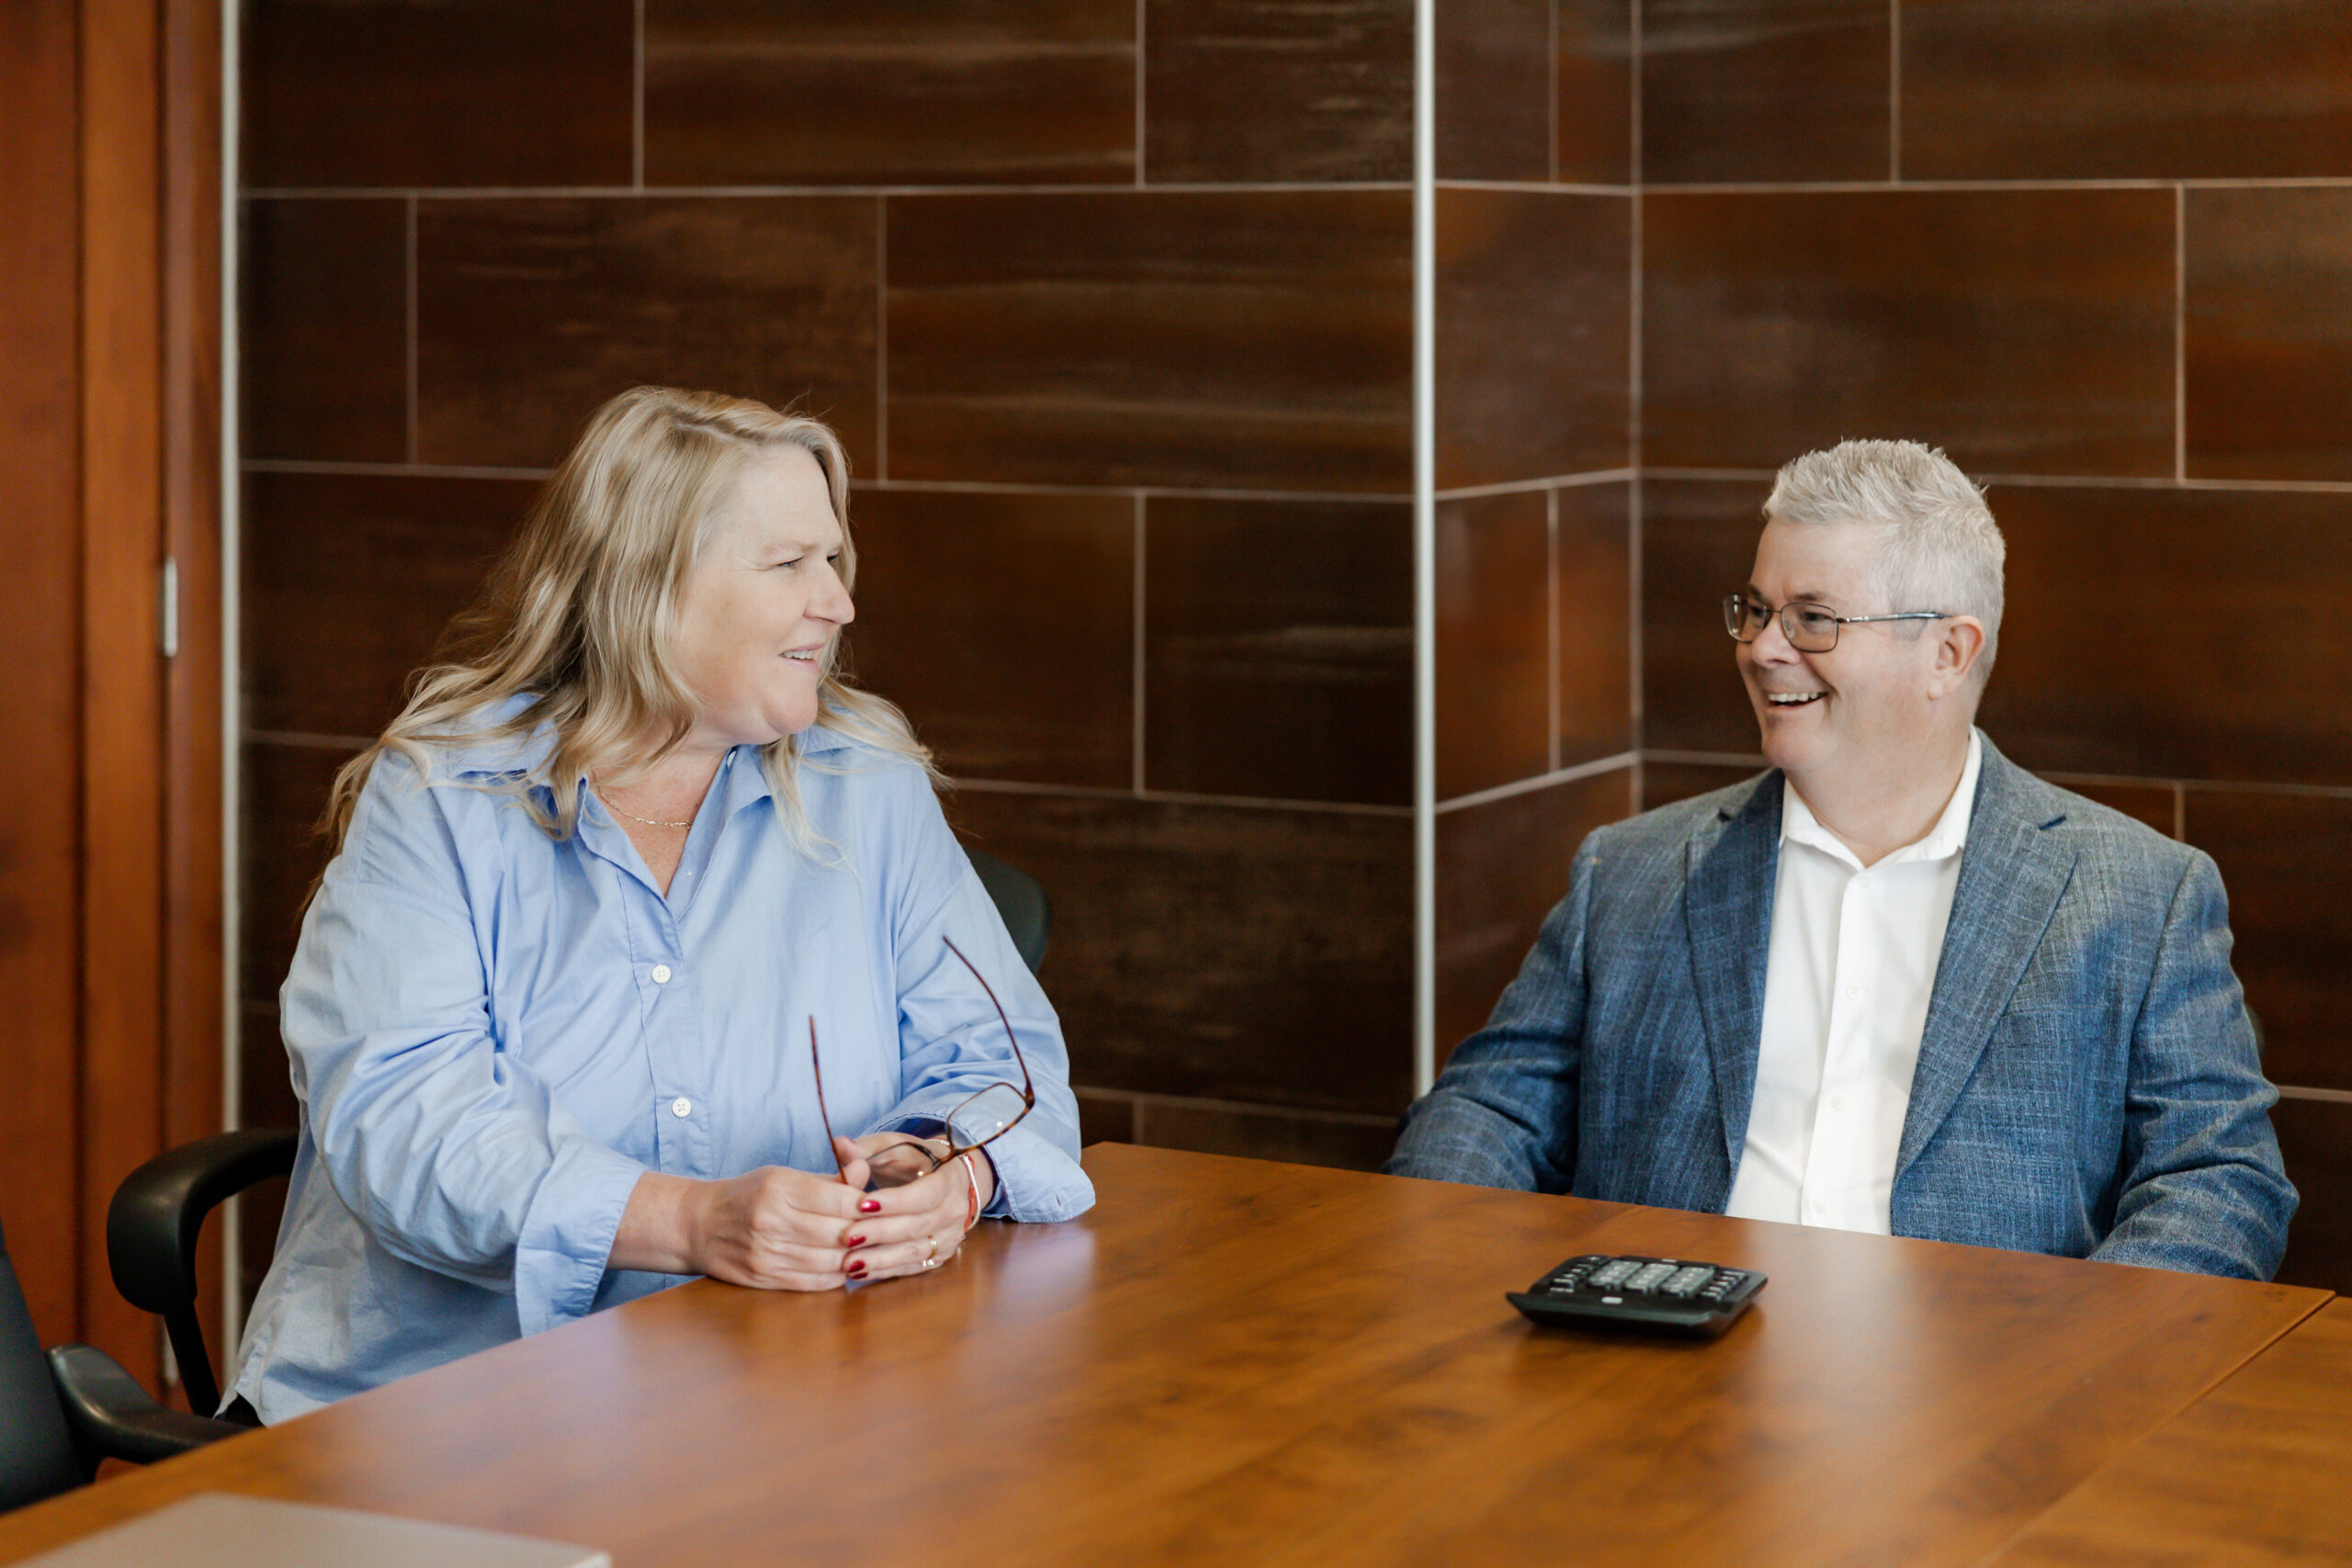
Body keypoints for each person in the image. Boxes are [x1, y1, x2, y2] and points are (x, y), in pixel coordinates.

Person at [229, 387, 1092, 1424]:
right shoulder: (442, 798)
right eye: (789, 565)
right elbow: (402, 1123)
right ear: (648, 585)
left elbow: (1004, 1068)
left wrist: (947, 1171)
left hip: (778, 1400)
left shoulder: (867, 781)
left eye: (834, 560)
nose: (840, 602)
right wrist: (689, 1222)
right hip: (447, 1417)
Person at [1388, 439, 2294, 1279]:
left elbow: (2218, 1182)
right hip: (1654, 1394)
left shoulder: (2139, 896)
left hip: (1984, 1414)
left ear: (1948, 651)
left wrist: (2060, 1366)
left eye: (1812, 618)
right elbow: (1486, 1112)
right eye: (1755, 610)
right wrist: (1443, 1270)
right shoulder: (1627, 874)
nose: (1761, 648)